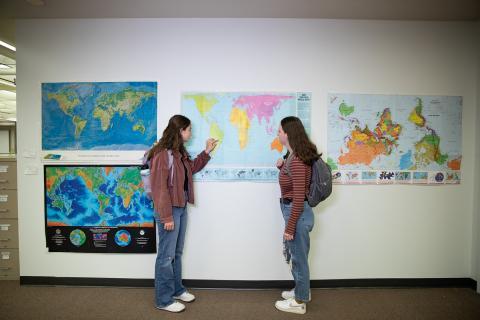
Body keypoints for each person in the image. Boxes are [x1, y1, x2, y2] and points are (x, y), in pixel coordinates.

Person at [149, 114, 217, 313]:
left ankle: (177, 290)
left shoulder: (178, 152)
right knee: (165, 256)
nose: (191, 133)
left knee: (176, 254)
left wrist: (206, 151)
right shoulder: (162, 154)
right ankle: (163, 300)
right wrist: (167, 216)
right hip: (168, 210)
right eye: (189, 129)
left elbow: (191, 169)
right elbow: (159, 188)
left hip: (181, 207)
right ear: (180, 131)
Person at [274, 116, 320, 315]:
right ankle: (300, 291)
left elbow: (299, 198)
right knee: (297, 257)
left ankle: (299, 302)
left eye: (280, 131)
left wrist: (289, 228)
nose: (278, 134)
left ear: (288, 134)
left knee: (299, 259)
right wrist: (281, 167)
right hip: (294, 212)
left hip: (297, 214)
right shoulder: (292, 156)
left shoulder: (298, 161)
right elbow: (293, 183)